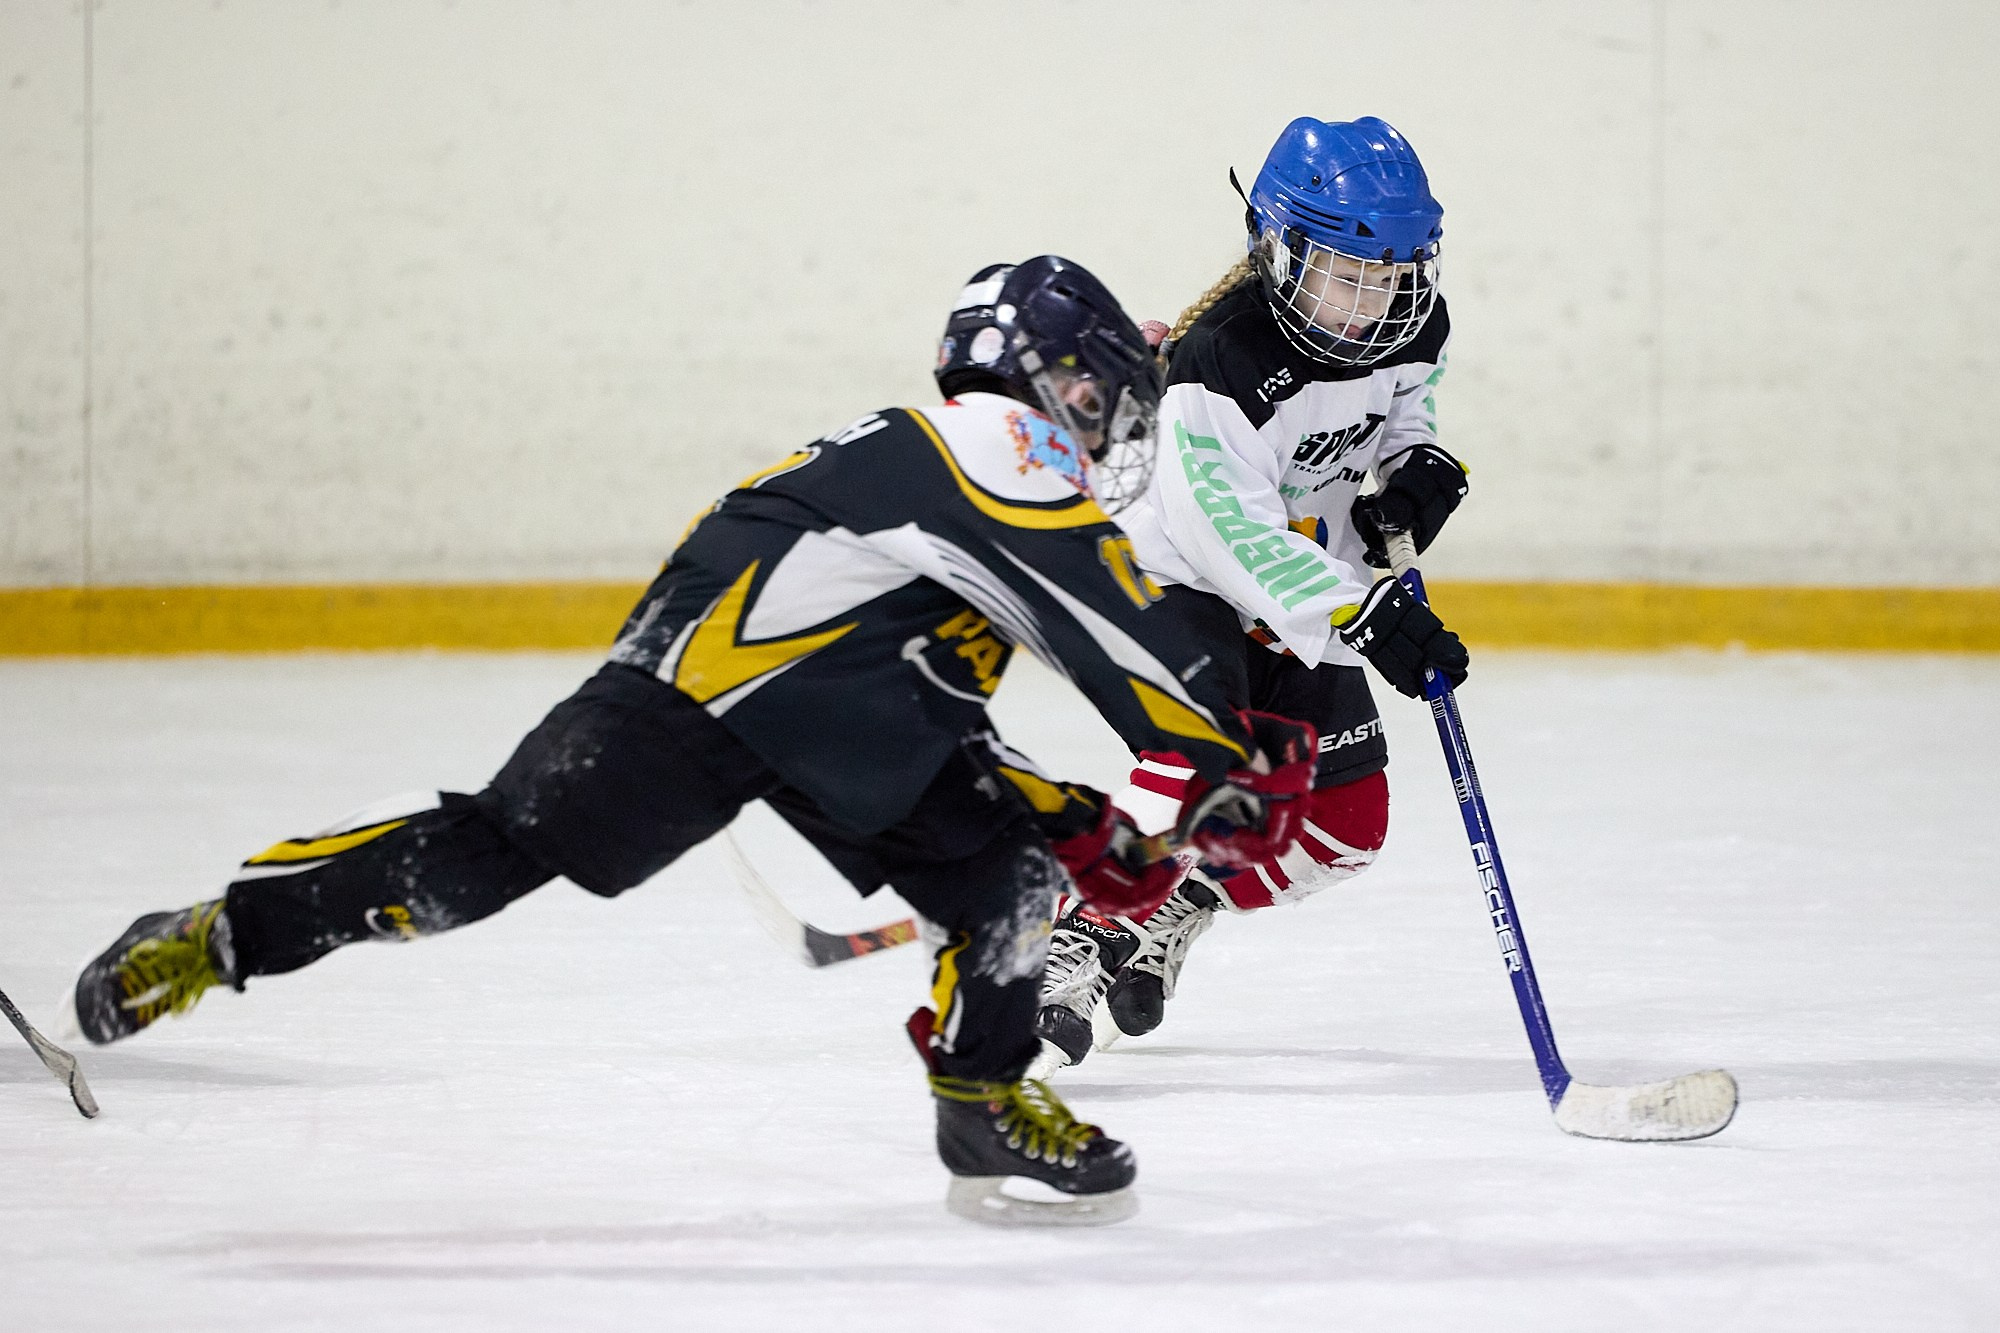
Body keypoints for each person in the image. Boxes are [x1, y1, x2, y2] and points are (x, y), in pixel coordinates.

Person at [68, 256, 1322, 1226]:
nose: (1107, 432)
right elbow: (1108, 611)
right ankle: (218, 934)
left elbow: (930, 679)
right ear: (1064, 378)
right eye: (1102, 396)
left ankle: (983, 1098)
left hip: (838, 697)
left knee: (1010, 869)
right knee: (481, 860)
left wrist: (1076, 817)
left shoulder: (950, 471)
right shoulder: (993, 444)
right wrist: (1229, 744)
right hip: (707, 690)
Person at [1029, 118, 1474, 1073]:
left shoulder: (1413, 324)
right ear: (1277, 248)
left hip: (1291, 583)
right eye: (1343, 275)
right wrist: (1359, 611)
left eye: (1390, 275)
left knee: (1346, 829)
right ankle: (1077, 932)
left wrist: (1415, 470)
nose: (1370, 303)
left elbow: (1405, 413)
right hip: (1164, 575)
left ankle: (1179, 900)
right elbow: (1221, 528)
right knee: (1201, 747)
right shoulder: (1220, 361)